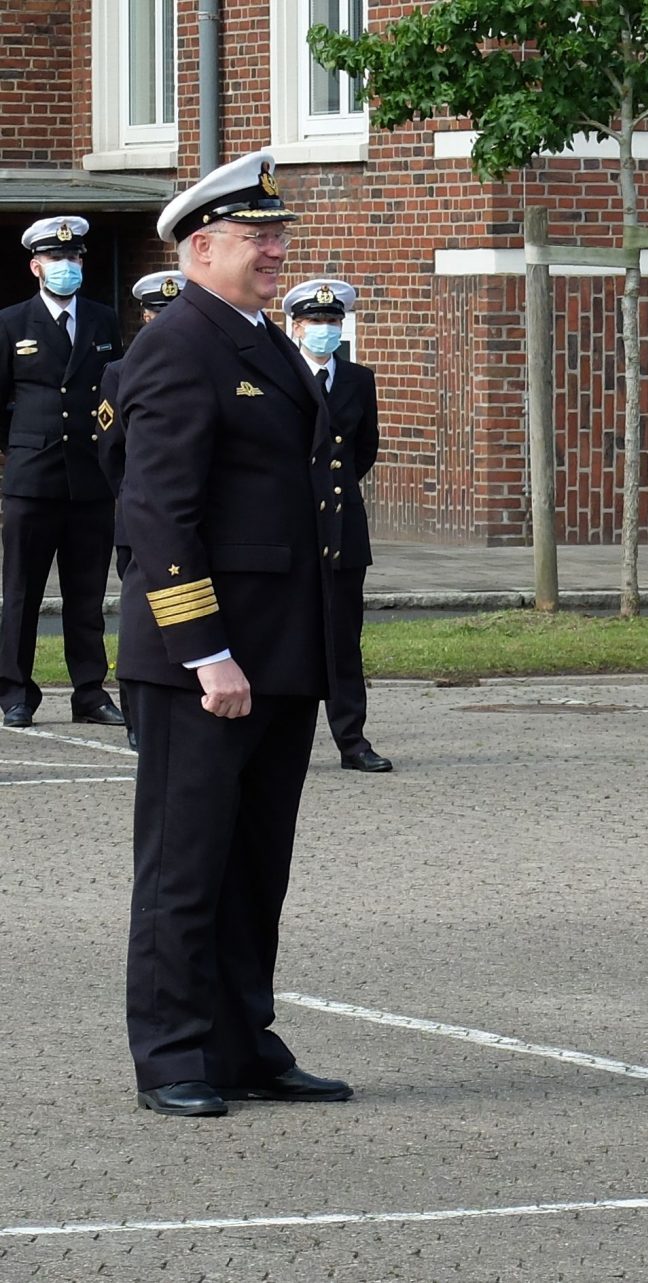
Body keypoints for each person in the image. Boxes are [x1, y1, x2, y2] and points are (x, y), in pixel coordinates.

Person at [115, 150, 354, 1116]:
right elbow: (158, 512)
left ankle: (240, 1037)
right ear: (200, 247)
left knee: (257, 863)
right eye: (257, 238)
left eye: (278, 235)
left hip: (279, 651)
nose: (275, 251)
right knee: (186, 862)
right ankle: (173, 1053)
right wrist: (204, 648)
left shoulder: (255, 338)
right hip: (205, 660)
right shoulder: (179, 345)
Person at [0, 215, 125, 730]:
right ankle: (15, 692)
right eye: (56, 260)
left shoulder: (102, 319)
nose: (67, 267)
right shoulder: (11, 322)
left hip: (89, 479)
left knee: (86, 593)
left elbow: (115, 393)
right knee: (22, 591)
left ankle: (90, 692)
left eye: (74, 259)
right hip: (32, 476)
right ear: (36, 266)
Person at [285, 278, 393, 771]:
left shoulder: (358, 380)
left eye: (333, 322)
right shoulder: (281, 375)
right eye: (315, 322)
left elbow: (362, 451)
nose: (325, 330)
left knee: (344, 639)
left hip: (344, 529)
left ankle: (353, 740)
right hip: (292, 528)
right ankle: (287, 744)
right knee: (290, 637)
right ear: (296, 327)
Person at [93, 271, 185, 752]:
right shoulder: (119, 372)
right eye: (157, 313)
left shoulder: (202, 366)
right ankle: (136, 717)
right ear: (145, 317)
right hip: (138, 519)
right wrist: (134, 498)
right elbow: (111, 451)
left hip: (192, 523)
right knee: (140, 624)